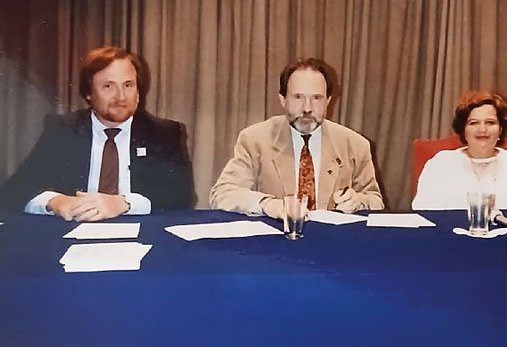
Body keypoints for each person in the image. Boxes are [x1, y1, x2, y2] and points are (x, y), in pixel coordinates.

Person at [0, 46, 195, 220]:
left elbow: (181, 195)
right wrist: (55, 201)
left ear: (138, 92)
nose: (121, 96)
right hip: (76, 231)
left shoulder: (163, 133)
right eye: (108, 86)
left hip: (142, 234)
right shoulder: (63, 130)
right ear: (88, 93)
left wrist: (123, 203)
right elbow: (15, 191)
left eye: (128, 85)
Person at [210, 58, 384, 218]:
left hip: (334, 239)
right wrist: (268, 204)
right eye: (298, 97)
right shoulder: (255, 140)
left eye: (317, 98)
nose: (307, 108)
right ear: (283, 99)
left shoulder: (355, 145)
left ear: (328, 101)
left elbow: (376, 201)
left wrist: (358, 201)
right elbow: (222, 194)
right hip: (276, 239)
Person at [412, 90, 507, 210]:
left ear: (500, 129)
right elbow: (424, 215)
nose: (482, 129)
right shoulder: (441, 163)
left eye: (490, 122)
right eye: (473, 123)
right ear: (463, 129)